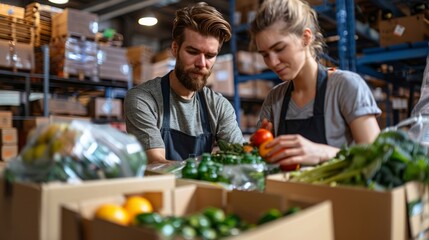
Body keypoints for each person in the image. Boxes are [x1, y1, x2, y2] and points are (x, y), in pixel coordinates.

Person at [248, 0, 381, 169]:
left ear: (305, 37)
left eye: (280, 48)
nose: (273, 62)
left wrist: (322, 153)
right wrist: (261, 147)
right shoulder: (275, 99)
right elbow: (262, 160)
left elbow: (377, 156)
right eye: (265, 55)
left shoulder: (346, 87)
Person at [124, 2, 244, 163]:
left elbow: (240, 159)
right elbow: (157, 163)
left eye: (209, 56)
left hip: (204, 187)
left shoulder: (219, 107)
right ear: (175, 48)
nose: (202, 63)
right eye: (193, 52)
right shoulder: (143, 99)